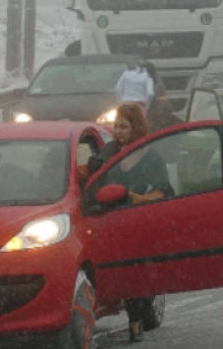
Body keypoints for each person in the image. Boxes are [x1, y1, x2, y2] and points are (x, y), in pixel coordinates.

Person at [80, 104, 171, 342]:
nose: (117, 131)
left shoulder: (152, 157)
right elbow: (91, 175)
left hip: (137, 223)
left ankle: (136, 321)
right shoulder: (108, 151)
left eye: (123, 126)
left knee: (135, 271)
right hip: (108, 223)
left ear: (136, 127)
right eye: (116, 126)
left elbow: (162, 194)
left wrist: (134, 198)